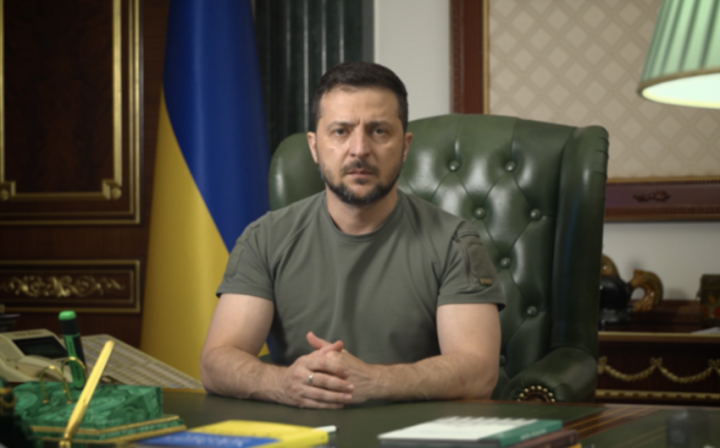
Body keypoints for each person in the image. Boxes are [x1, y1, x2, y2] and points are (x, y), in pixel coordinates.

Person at [200, 61, 505, 409]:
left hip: (414, 430)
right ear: (314, 146)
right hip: (301, 428)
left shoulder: (454, 242)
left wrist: (376, 381)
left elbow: (479, 373)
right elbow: (216, 362)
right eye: (341, 131)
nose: (359, 149)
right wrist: (282, 383)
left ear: (405, 146)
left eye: (379, 131)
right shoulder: (264, 238)